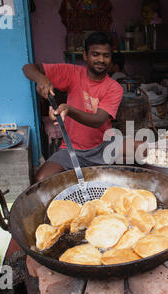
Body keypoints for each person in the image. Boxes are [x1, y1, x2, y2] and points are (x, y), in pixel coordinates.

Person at [23, 32, 128, 182]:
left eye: (106, 56)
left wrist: (69, 109)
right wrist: (41, 79)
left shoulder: (114, 88)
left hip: (102, 146)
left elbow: (98, 120)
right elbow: (28, 68)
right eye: (95, 54)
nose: (101, 60)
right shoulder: (72, 73)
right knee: (41, 179)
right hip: (71, 149)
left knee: (142, 150)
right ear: (85, 55)